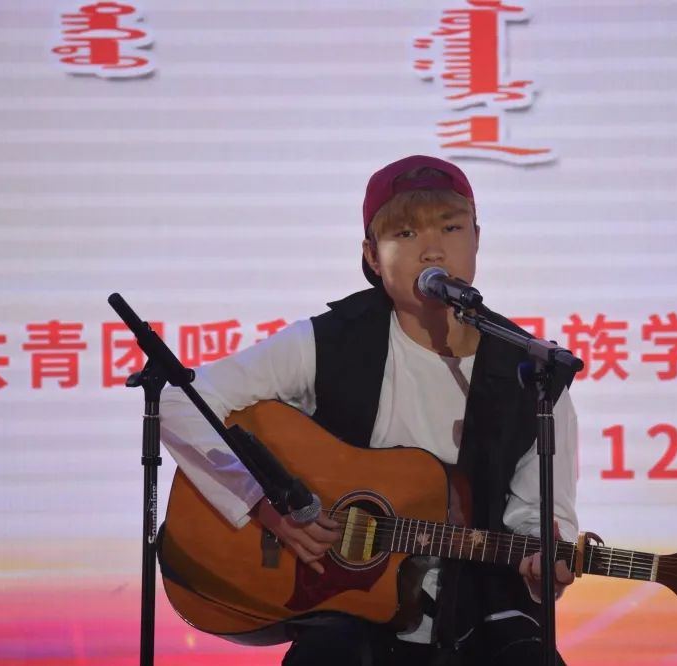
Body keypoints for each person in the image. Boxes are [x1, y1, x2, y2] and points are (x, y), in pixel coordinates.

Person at [159, 155, 579, 665]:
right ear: (373, 257)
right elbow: (180, 399)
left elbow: (540, 521)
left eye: (451, 227)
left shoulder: (533, 373)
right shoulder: (331, 342)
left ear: (477, 238)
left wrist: (544, 563)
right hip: (347, 614)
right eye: (406, 233)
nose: (432, 249)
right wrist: (260, 500)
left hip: (480, 614)